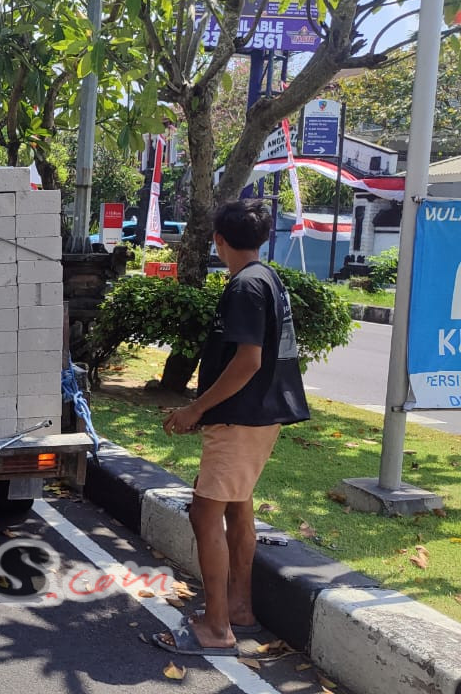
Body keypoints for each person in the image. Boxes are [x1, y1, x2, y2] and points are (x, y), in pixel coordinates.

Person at [153, 200, 309, 656]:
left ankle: (217, 627)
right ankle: (238, 608)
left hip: (240, 417)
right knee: (237, 509)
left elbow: (247, 361)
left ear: (219, 240)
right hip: (258, 415)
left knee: (205, 513)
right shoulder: (267, 277)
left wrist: (194, 410)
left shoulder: (244, 287)